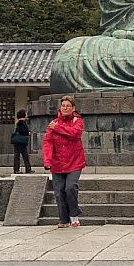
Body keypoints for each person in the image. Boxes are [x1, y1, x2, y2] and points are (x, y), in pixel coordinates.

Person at [42, 96, 85, 228]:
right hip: (58, 163)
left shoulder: (77, 121)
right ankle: (63, 219)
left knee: (70, 187)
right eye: (63, 106)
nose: (65, 108)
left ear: (73, 108)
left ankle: (74, 216)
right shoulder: (53, 123)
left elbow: (75, 133)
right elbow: (48, 143)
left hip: (74, 161)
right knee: (59, 191)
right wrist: (47, 160)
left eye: (68, 106)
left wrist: (58, 128)